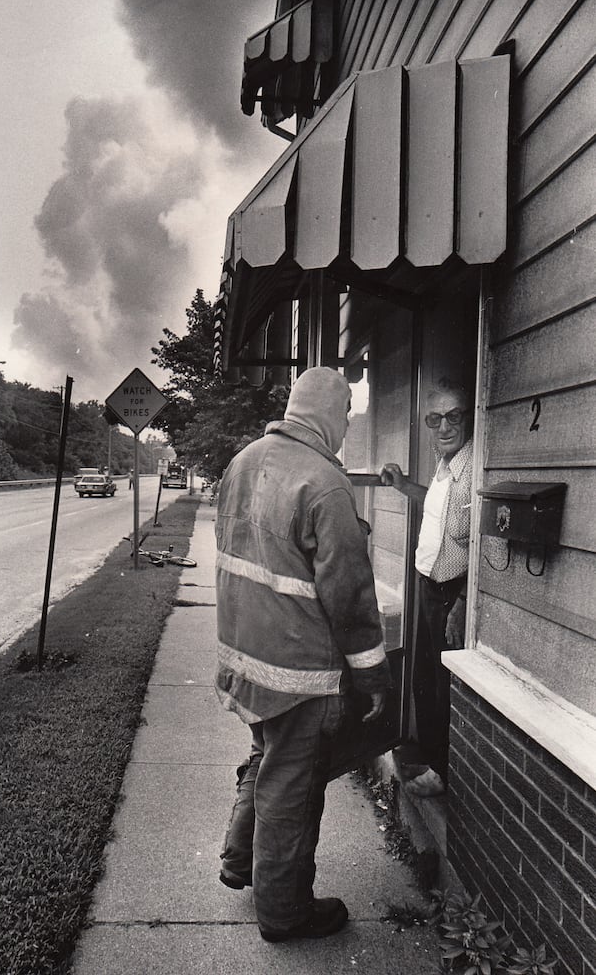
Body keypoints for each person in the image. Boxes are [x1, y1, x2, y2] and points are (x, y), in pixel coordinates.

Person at [214, 367, 391, 943]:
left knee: (265, 761)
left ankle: (241, 861)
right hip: (298, 673)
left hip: (247, 658)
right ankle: (284, 912)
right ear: (329, 413)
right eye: (346, 415)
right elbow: (350, 598)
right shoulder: (325, 482)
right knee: (292, 787)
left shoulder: (242, 461)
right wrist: (372, 675)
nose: (346, 426)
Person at [380, 378, 473, 798]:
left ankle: (442, 772)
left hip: (451, 593)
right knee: (423, 676)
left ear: (469, 417)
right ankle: (434, 758)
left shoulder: (473, 467)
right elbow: (439, 509)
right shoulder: (445, 462)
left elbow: (485, 543)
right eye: (435, 419)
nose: (444, 427)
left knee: (440, 684)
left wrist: (463, 603)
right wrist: (403, 487)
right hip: (427, 585)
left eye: (454, 416)